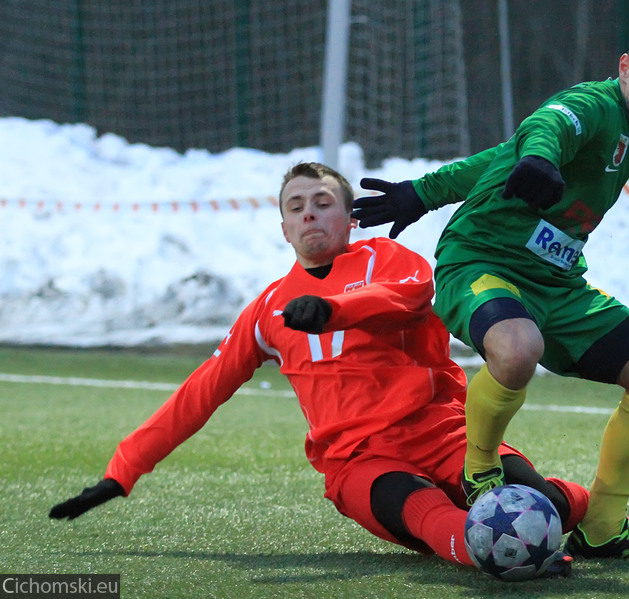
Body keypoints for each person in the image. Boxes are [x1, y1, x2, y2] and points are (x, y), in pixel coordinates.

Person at [48, 162, 591, 575]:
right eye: (296, 205)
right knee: (425, 512)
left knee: (541, 501)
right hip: (359, 461)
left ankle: (581, 504)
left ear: (348, 216)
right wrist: (123, 470)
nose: (309, 211)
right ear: (284, 228)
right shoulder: (268, 310)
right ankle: (502, 557)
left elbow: (405, 297)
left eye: (323, 201)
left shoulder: (390, 259)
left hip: (446, 433)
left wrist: (333, 310)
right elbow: (200, 392)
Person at [352, 22, 629, 560]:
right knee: (518, 349)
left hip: (556, 285)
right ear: (626, 68)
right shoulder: (592, 105)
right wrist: (540, 157)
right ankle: (480, 469)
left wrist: (422, 192)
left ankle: (604, 526)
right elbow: (545, 127)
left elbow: (500, 155)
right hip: (481, 262)